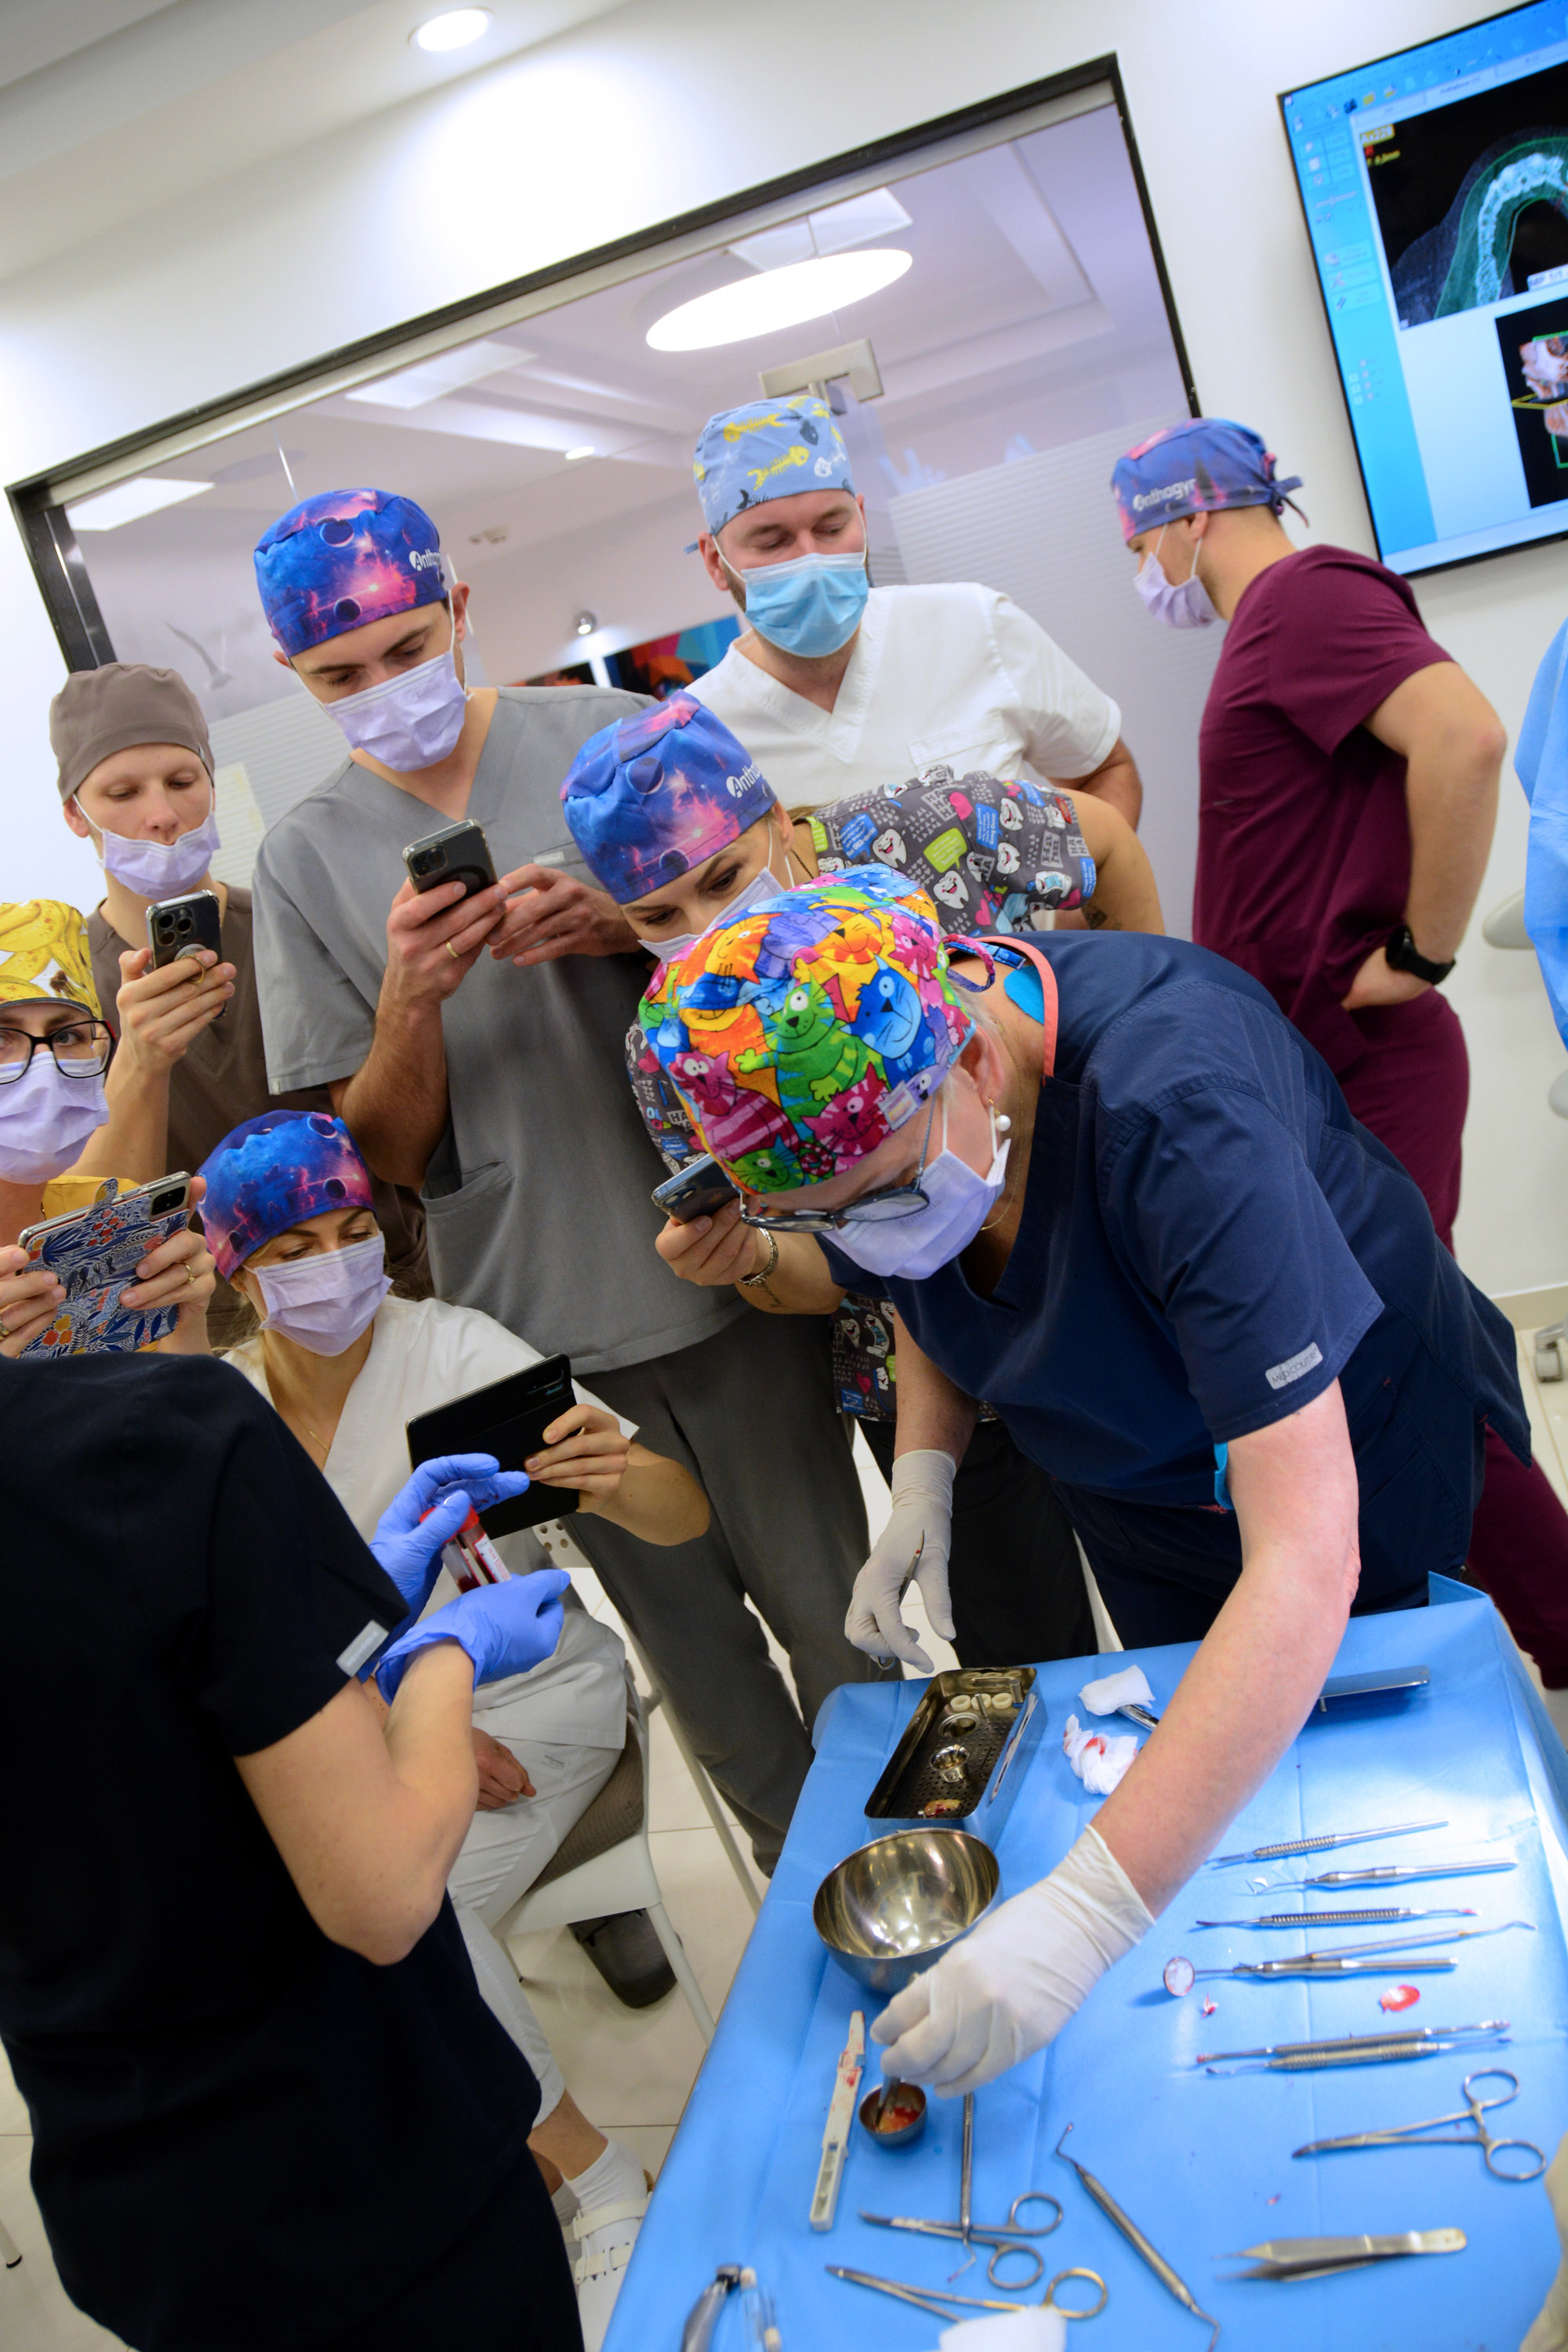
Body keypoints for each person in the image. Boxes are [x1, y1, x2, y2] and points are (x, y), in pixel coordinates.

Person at [648, 870, 1529, 2092]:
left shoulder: (1173, 1105)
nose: (865, 1238)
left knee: (1363, 1779)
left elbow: (1306, 1554)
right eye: (827, 1221)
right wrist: (924, 1473)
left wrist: (1085, 1917)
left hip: (1344, 1441)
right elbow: (922, 1269)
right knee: (1215, 1766)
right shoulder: (892, 1102)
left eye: (879, 1198)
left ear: (975, 1065)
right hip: (1136, 1478)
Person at [246, 484, 880, 1869]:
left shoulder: (609, 740)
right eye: (340, 676)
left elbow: (779, 956)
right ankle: (813, 1920)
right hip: (536, 1327)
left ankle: (909, 1870)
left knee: (841, 1619)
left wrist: (626, 926)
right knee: (703, 1675)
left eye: (408, 648)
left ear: (459, 609)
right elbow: (380, 1160)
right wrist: (410, 999)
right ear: (292, 673)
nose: (384, 689)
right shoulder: (302, 861)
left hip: (732, 1273)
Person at [198, 1107, 710, 2346]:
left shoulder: (459, 1353)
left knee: (400, 1911)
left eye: (351, 1230)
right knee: (304, 1914)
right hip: (349, 1722)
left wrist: (614, 1476)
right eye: (292, 1250)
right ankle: (465, 2154)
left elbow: (680, 1516)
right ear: (237, 1275)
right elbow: (226, 1635)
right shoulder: (216, 1413)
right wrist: (396, 1726)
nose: (334, 1265)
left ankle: (596, 2181)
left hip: (531, 1700)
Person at [0, 1326, 587, 2351]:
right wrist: (446, 1656)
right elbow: (383, 1893)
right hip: (361, 2180)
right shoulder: (160, 1435)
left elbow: (116, 1716)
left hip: (136, 2202)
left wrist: (324, 1610)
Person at [562, 695, 1163, 1666]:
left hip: (1107, 1291)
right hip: (928, 1371)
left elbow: (1108, 847)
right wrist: (752, 1256)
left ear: (775, 819)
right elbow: (845, 1272)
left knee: (1194, 1604)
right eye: (656, 917)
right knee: (1031, 1670)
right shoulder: (677, 1044)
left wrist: (1139, 1048)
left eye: (724, 879)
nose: (706, 928)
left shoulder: (927, 837)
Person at [1113, 416, 1568, 1697]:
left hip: (1361, 1063)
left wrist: (1422, 953)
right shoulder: (1277, 622)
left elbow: (1466, 738)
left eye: (1137, 538)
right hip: (1310, 1070)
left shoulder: (1303, 596)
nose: (1143, 566)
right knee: (1393, 1372)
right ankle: (1471, 1645)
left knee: (1416, 1372)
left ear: (1189, 513)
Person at [53, 661, 426, 1344]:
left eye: (182, 781)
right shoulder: (66, 998)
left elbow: (397, 1135)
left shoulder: (298, 924)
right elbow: (91, 1227)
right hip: (211, 1330)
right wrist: (141, 1062)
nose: (162, 816)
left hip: (386, 1288)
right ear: (75, 814)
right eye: (122, 793)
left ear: (212, 784)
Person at [684, 394, 1142, 824]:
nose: (813, 562)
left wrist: (1076, 884)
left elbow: (1104, 770)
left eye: (831, 528)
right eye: (773, 542)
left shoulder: (976, 625)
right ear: (715, 562)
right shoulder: (698, 736)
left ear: (862, 518)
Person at [0, 898, 215, 1357]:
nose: (44, 1069)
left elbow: (184, 1399)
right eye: (1, 1038)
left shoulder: (107, 1218)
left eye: (67, 1036)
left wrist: (185, 1320)